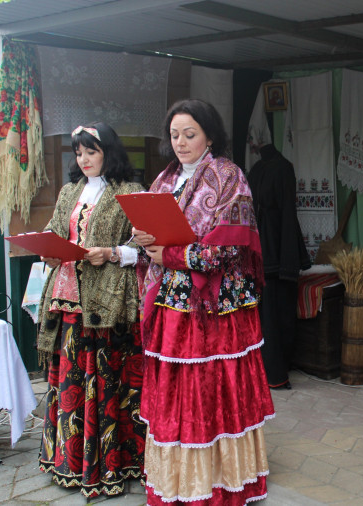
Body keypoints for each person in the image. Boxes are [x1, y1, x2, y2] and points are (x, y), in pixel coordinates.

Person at [134, 99, 274, 505]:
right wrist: (145, 244)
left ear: (210, 135)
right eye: (174, 135)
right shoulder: (164, 180)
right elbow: (153, 240)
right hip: (170, 305)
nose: (180, 143)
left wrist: (172, 255)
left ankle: (220, 479)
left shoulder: (229, 176)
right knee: (177, 393)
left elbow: (230, 247)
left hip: (214, 309)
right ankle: (180, 479)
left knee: (213, 391)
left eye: (189, 134)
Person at [37, 122, 146, 498]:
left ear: (109, 152)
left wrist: (112, 253)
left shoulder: (131, 192)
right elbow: (54, 234)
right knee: (70, 382)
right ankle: (69, 461)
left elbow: (149, 248)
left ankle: (117, 464)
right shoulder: (69, 191)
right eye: (78, 152)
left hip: (109, 305)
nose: (84, 159)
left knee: (107, 381)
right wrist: (48, 251)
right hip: (67, 302)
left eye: (92, 151)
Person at [247, 143, 310, 389]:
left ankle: (275, 372)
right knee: (271, 315)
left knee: (276, 313)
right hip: (269, 248)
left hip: (273, 248)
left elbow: (286, 212)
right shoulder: (261, 169)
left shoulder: (277, 169)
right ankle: (272, 373)